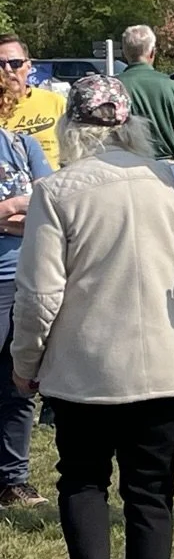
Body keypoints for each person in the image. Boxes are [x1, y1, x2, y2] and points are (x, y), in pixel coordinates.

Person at [9, 76, 174, 559]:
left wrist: (25, 360)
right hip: (163, 361)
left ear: (71, 127)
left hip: (85, 367)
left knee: (84, 480)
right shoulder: (164, 182)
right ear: (129, 124)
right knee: (151, 488)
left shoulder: (58, 190)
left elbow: (40, 292)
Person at [0, 110, 53, 510]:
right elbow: (30, 206)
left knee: (18, 382)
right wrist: (17, 206)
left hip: (22, 275)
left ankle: (13, 480)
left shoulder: (23, 145)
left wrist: (7, 213)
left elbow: (47, 205)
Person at [115, 25, 174, 169]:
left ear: (125, 53)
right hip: (167, 164)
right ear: (152, 52)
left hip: (126, 165)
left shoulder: (113, 87)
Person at [0, 34, 62, 168]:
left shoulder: (55, 102)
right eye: (1, 64)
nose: (8, 70)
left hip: (52, 184)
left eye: (15, 63)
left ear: (28, 65)